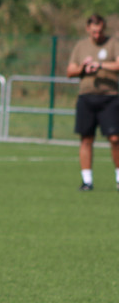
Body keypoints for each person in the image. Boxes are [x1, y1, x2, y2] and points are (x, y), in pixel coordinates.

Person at [65, 13, 119, 192]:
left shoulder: (113, 43)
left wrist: (100, 65)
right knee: (86, 139)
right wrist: (83, 68)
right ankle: (87, 181)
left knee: (115, 138)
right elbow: (70, 71)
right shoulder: (81, 46)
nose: (97, 35)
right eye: (94, 32)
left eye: (100, 31)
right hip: (87, 97)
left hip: (110, 97)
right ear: (88, 29)